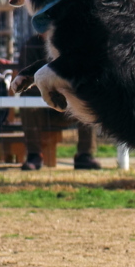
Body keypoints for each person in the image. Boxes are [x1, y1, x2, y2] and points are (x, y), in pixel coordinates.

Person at [17, 34, 100, 170]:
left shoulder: (67, 44)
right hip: (41, 108)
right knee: (27, 106)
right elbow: (25, 84)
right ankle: (34, 155)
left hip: (66, 104)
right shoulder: (30, 47)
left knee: (86, 102)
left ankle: (85, 155)